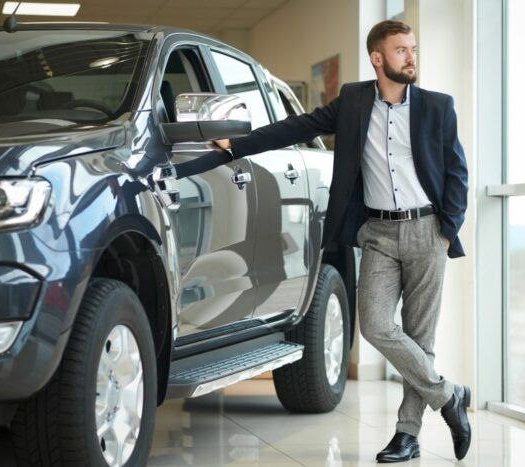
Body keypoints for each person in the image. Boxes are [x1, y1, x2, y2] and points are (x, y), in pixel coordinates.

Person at [178, 20, 471, 462]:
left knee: (419, 337)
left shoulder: (436, 107)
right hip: (378, 233)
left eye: (413, 49)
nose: (411, 56)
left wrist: (447, 228)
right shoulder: (354, 101)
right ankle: (449, 396)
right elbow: (296, 127)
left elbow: (457, 173)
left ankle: (406, 435)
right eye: (401, 50)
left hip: (428, 230)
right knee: (374, 325)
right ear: (377, 58)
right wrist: (236, 146)